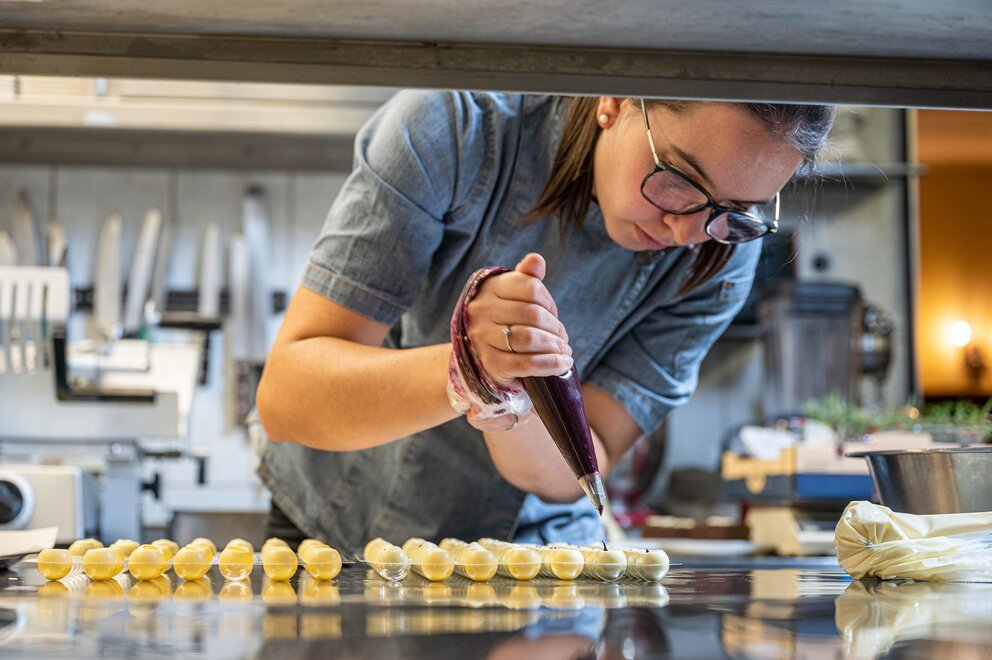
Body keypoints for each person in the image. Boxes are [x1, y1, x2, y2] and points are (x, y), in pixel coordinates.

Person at [253, 90, 835, 553]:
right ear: (615, 100)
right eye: (679, 180)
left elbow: (584, 463)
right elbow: (288, 399)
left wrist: (513, 395)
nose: (686, 233)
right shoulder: (452, 129)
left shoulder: (721, 258)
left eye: (737, 209)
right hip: (336, 532)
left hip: (534, 556)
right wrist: (465, 370)